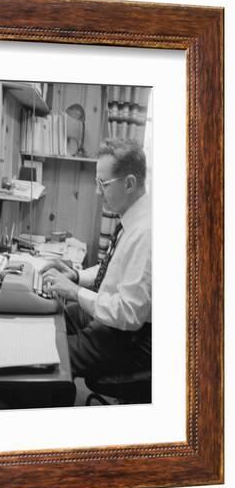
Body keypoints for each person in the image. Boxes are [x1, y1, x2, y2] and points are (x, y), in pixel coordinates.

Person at [41, 138, 151, 380]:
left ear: (130, 183)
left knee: (46, 356)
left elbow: (129, 314)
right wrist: (77, 277)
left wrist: (75, 291)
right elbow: (115, 266)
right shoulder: (133, 219)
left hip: (131, 337)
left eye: (104, 184)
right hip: (113, 318)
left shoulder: (146, 233)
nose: (98, 191)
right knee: (51, 319)